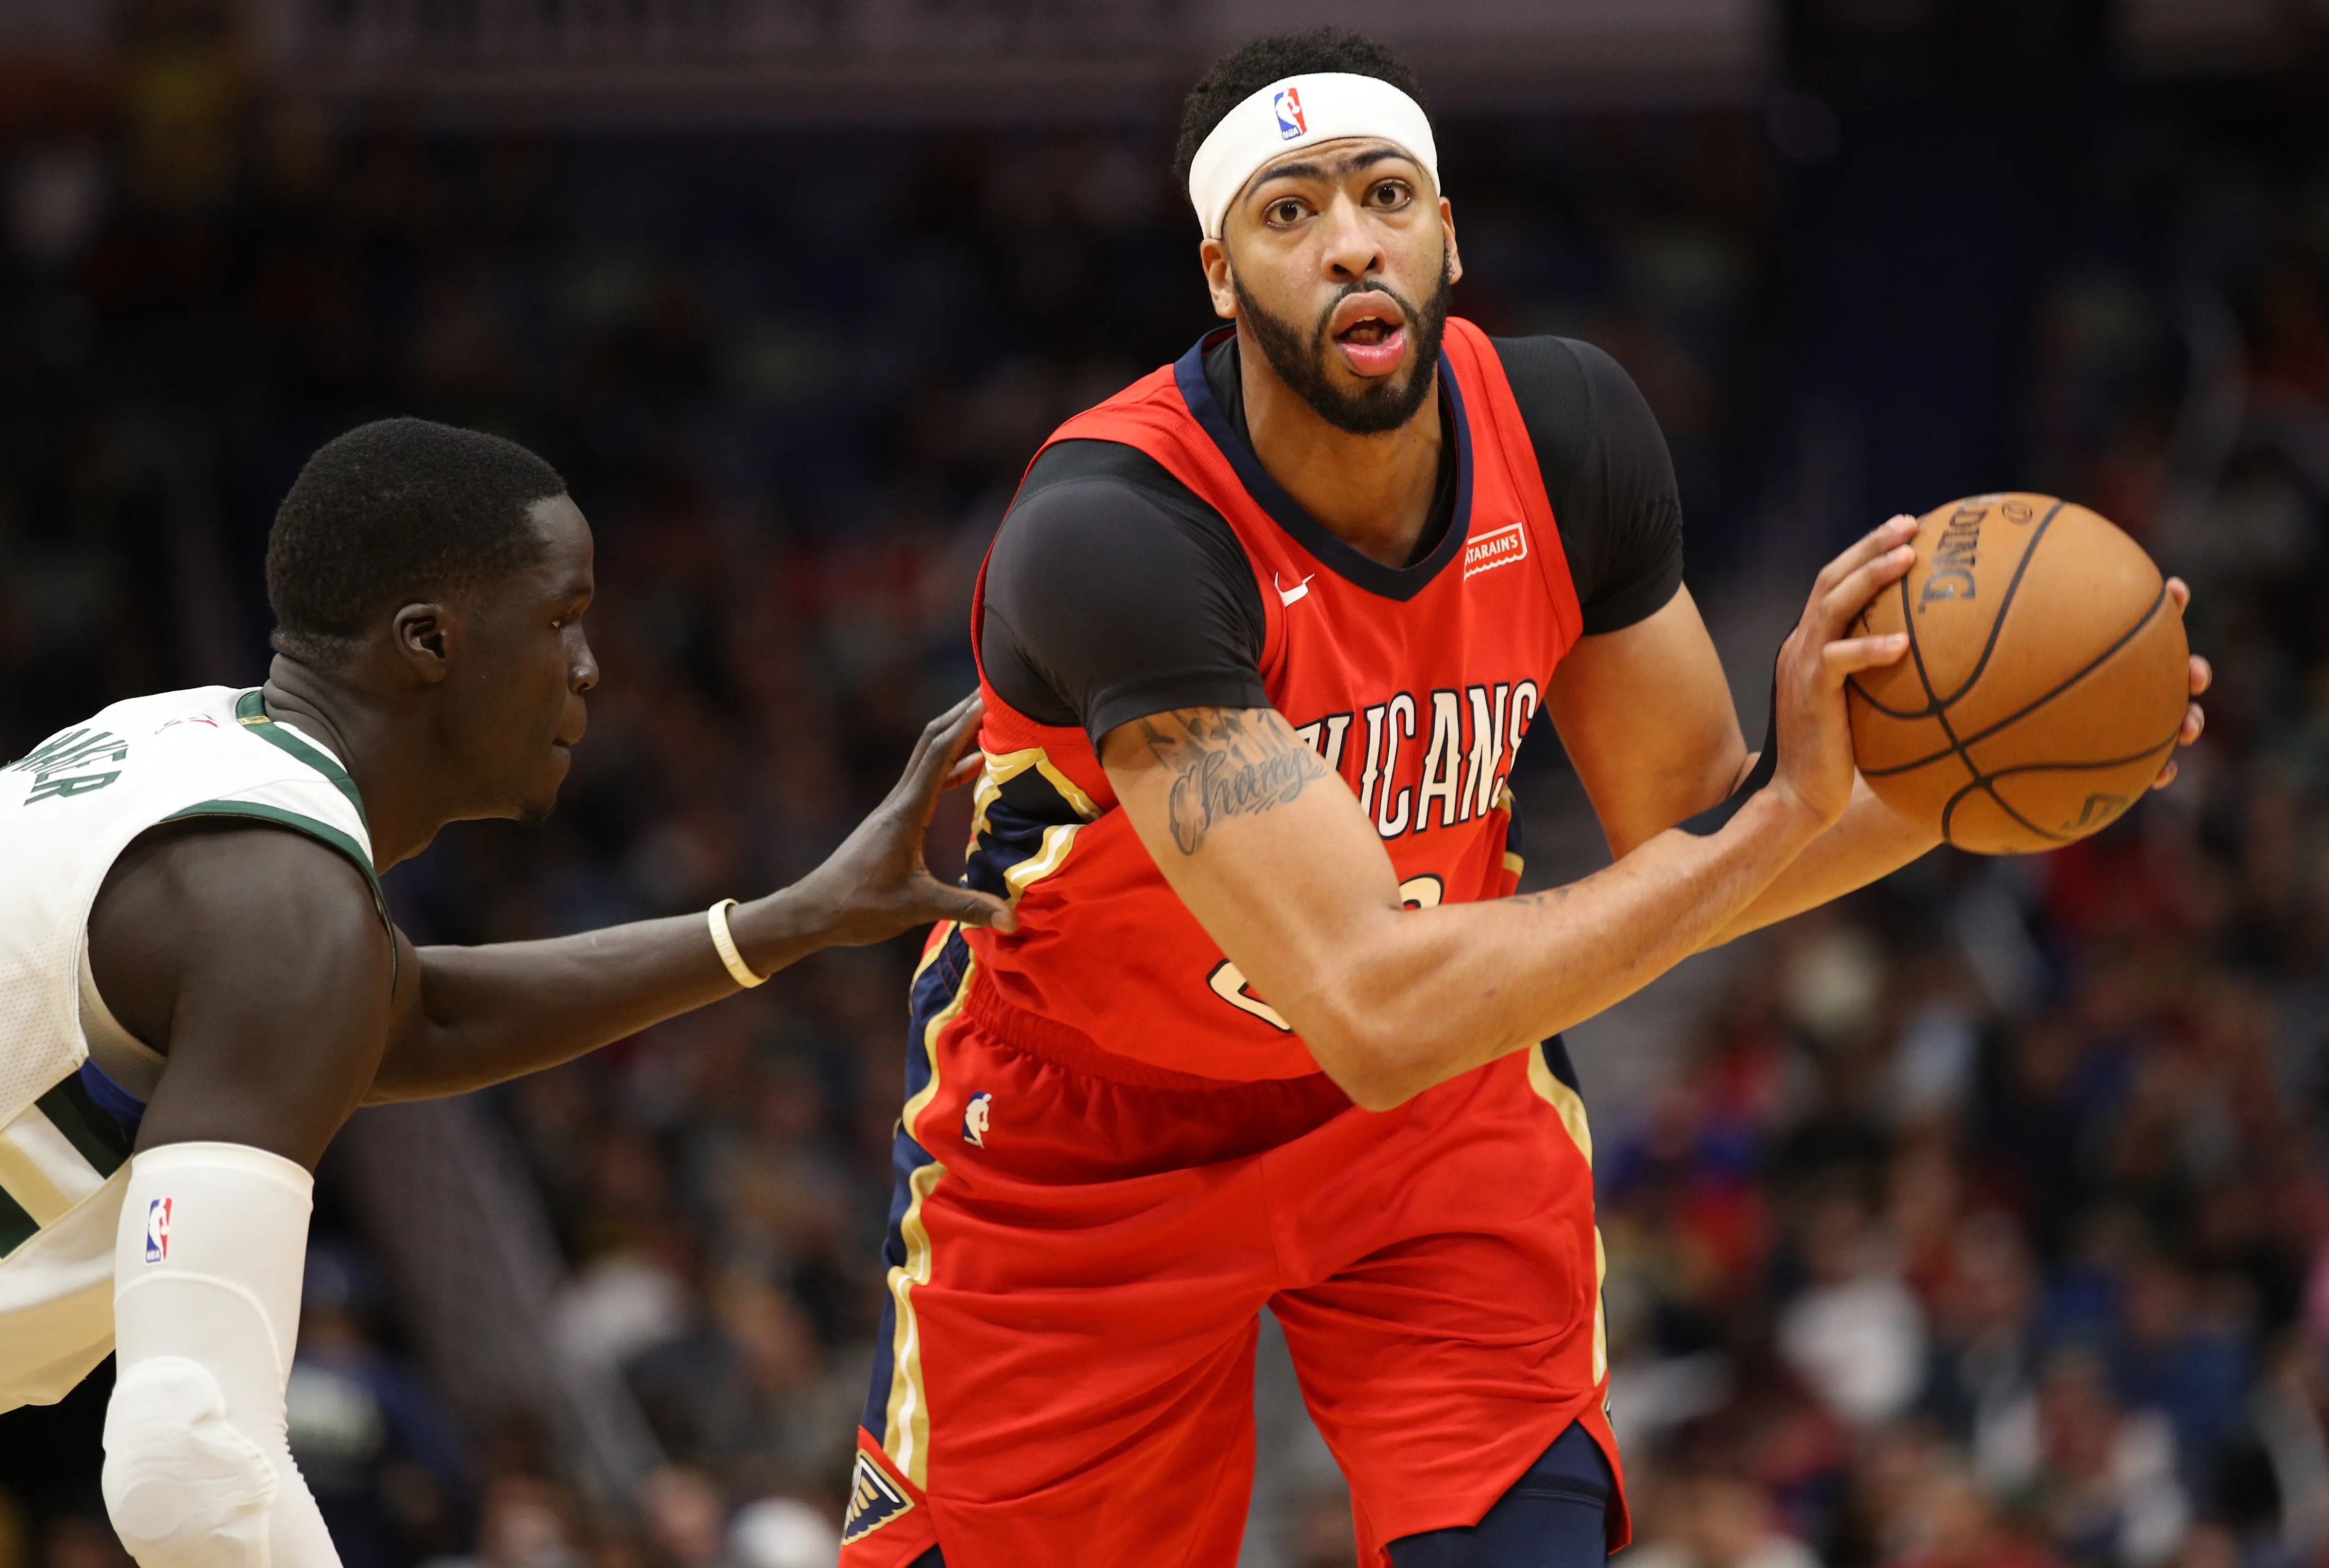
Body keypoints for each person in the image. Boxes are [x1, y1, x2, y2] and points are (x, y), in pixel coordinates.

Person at [834, 27, 2212, 1568]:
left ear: (1447, 233)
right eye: (1289, 213)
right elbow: (1372, 1005)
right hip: (1088, 1142)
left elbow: (1690, 842)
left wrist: (1980, 789)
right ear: (1219, 274)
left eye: (1383, 191)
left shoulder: (1565, 436)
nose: (1348, 236)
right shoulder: (1116, 532)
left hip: (1436, 1116)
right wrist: (1786, 814)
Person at [0, 416, 1013, 1567]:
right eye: (561, 618)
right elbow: (188, 1457)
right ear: (427, 641)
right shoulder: (281, 910)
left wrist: (784, 922)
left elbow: (412, 1015)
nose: (589, 666)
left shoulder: (181, 747)